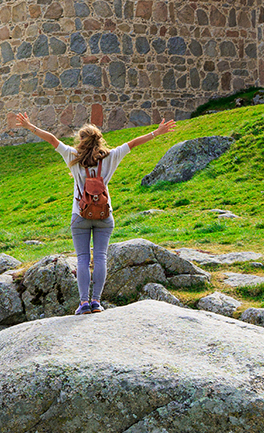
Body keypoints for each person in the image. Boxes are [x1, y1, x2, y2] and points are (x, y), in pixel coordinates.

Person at [11, 112, 179, 315]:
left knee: (82, 258)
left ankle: (83, 303)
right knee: (100, 257)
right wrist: (157, 132)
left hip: (80, 215)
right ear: (99, 139)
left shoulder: (72, 156)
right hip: (104, 216)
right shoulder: (111, 157)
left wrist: (30, 126)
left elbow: (53, 140)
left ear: (81, 141)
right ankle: (97, 302)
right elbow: (132, 143)